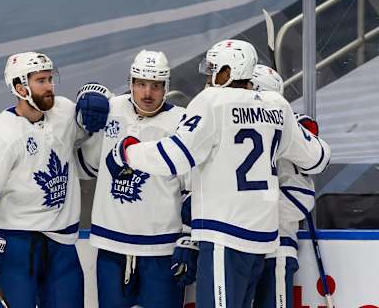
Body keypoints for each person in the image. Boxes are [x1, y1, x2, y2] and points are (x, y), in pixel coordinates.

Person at [106, 40, 331, 307]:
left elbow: (176, 156)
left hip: (224, 235)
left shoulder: (212, 101)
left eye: (214, 69)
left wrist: (130, 152)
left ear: (229, 72)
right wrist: (299, 129)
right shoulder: (277, 107)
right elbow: (319, 159)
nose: (209, 76)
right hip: (262, 240)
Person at [0, 51, 110, 307]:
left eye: (50, 79)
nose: (49, 87)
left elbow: (93, 125)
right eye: (41, 81)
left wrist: (94, 95)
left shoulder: (63, 112)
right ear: (20, 87)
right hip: (18, 245)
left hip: (62, 245)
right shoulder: (0, 134)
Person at [77, 50, 198, 308]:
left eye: (155, 86)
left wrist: (189, 238)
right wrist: (83, 111)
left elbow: (194, 187)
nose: (147, 93)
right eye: (141, 84)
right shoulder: (111, 110)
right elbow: (86, 166)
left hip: (162, 248)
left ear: (166, 87)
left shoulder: (182, 120)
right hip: (112, 246)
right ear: (131, 82)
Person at [250, 64, 317, 308]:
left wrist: (248, 207)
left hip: (276, 251)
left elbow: (300, 201)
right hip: (239, 250)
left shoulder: (288, 139)